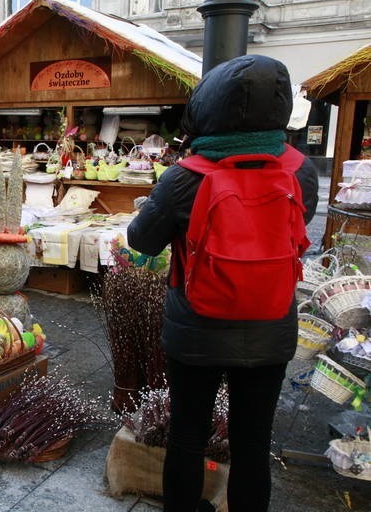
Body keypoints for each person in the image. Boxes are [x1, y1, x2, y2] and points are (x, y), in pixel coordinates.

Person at [127, 55, 319, 512]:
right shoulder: (301, 171)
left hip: (196, 328)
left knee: (188, 435)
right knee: (253, 441)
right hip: (272, 326)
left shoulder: (183, 178)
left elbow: (142, 242)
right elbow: (297, 233)